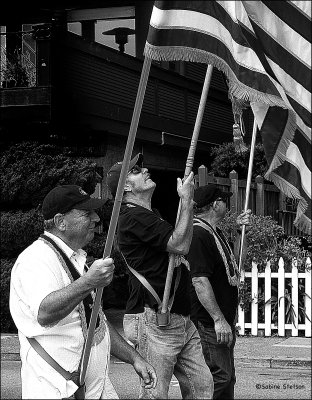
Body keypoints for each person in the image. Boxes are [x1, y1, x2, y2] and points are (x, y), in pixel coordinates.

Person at [9, 184, 157, 399]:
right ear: (61, 222)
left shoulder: (77, 259)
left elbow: (96, 323)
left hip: (92, 388)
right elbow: (44, 313)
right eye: (87, 213)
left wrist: (134, 358)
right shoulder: (36, 259)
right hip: (57, 390)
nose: (96, 218)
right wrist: (88, 282)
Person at [106, 153, 213, 399]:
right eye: (135, 171)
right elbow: (179, 245)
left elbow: (180, 242)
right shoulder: (134, 217)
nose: (144, 170)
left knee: (202, 386)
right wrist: (186, 200)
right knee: (156, 393)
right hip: (155, 318)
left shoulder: (148, 213)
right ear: (125, 188)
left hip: (176, 316)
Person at [187, 184, 251, 399]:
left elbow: (235, 263)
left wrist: (243, 232)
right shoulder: (198, 234)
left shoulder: (214, 231)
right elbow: (199, 280)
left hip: (223, 318)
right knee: (218, 377)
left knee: (227, 377)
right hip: (209, 322)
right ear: (215, 204)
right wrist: (218, 319)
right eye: (225, 201)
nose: (227, 205)